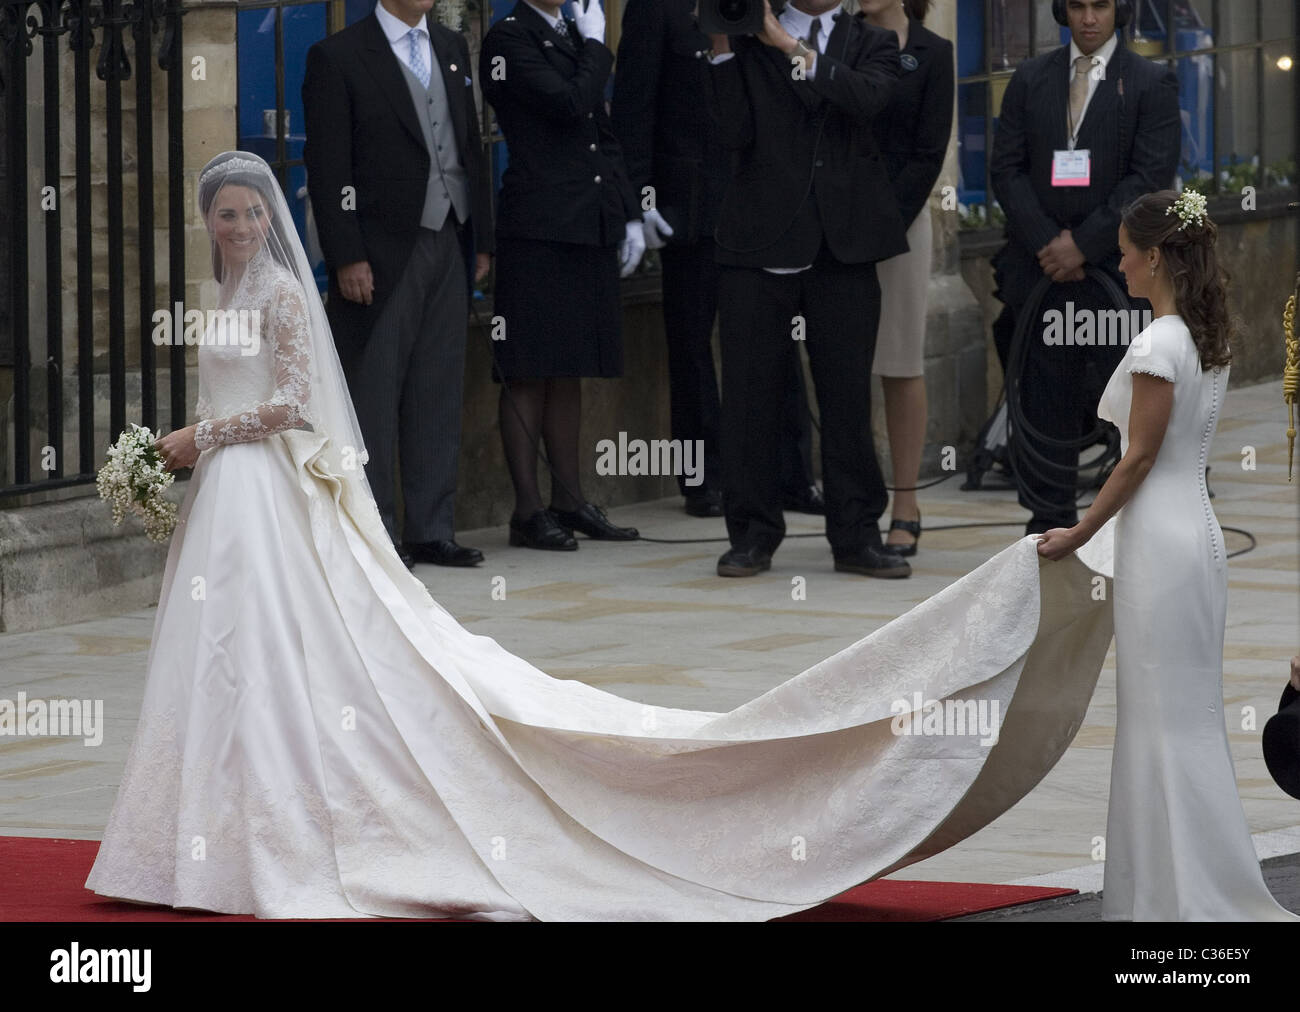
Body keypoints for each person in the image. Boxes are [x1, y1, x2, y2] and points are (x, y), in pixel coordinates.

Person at [84, 151, 1145, 921]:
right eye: (217, 215)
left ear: (262, 220)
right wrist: (187, 456)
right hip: (227, 503)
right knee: (219, 665)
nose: (230, 228)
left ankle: (270, 832)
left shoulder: (274, 292)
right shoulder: (219, 292)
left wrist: (192, 437)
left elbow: (295, 402)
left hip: (254, 486)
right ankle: (200, 834)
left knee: (277, 660)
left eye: (240, 214)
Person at [1037, 190, 1299, 921]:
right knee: (1182, 720)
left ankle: (1171, 899)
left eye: (1124, 250)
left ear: (1155, 256)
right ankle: (1174, 892)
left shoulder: (1159, 344)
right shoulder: (1201, 339)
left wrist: (1079, 533)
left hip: (1162, 543)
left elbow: (1138, 459)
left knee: (1161, 721)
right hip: (1196, 537)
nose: (1116, 262)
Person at [704, 0, 911, 580]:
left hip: (842, 247)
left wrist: (787, 45)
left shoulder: (871, 41)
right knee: (748, 397)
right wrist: (724, 47)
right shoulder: (740, 43)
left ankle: (856, 535)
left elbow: (865, 99)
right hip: (757, 244)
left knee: (847, 399)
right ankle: (750, 534)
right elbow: (729, 133)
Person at [609, 0, 824, 520]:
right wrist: (639, 201)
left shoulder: (763, 5)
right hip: (691, 204)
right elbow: (634, 107)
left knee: (780, 338)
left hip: (765, 200)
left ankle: (791, 474)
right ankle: (702, 477)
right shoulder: (655, 9)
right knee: (691, 343)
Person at [302, 0, 492, 570]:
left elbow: (469, 145)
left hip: (449, 237)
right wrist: (346, 256)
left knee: (438, 386)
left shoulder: (452, 47)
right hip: (381, 251)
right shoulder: (336, 57)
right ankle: (375, 528)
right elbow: (327, 165)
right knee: (375, 394)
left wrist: (481, 235)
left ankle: (433, 528)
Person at [990, 0, 1180, 535]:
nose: (1089, 17)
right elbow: (1006, 169)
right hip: (1041, 272)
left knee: (1122, 399)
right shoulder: (1030, 77)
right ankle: (1047, 523)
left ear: (1118, 11)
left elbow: (1149, 175)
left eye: (1100, 5)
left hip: (1116, 276)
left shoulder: (1149, 81)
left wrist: (1085, 244)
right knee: (1046, 394)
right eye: (1078, 5)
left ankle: (1128, 521)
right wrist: (1049, 243)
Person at [478, 0, 643, 551]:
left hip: (587, 220)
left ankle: (569, 500)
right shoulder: (509, 37)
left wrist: (627, 213)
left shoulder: (572, 33)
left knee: (569, 365)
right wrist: (598, 48)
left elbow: (602, 129)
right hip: (540, 225)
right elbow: (570, 102)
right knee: (529, 368)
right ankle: (527, 511)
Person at [853, 0, 953, 556]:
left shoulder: (933, 53)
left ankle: (906, 501)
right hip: (834, 224)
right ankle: (854, 504)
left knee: (899, 363)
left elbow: (928, 150)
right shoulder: (837, 39)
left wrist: (880, 221)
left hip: (900, 224)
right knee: (844, 370)